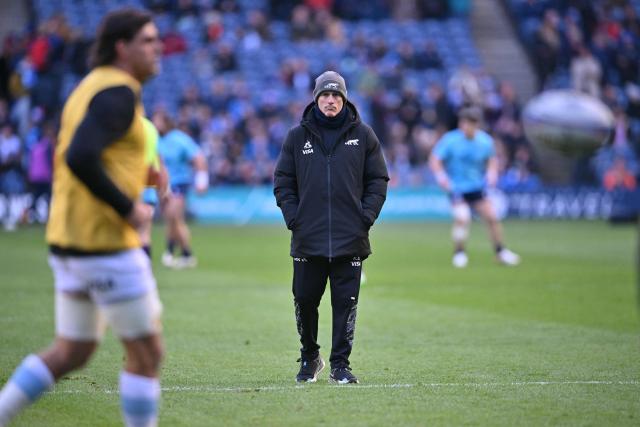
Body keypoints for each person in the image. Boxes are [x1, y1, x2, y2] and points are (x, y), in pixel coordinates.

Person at [0, 9, 164, 427]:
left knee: (72, 350)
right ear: (122, 47)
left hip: (69, 242)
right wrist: (129, 208)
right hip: (103, 244)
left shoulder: (89, 87)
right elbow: (80, 156)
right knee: (147, 354)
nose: (157, 46)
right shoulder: (118, 92)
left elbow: (83, 152)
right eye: (147, 40)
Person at [274, 70, 389, 384]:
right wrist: (293, 217)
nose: (330, 100)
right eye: (325, 95)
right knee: (305, 301)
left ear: (345, 99)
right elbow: (283, 182)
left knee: (345, 305)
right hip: (307, 238)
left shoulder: (364, 135)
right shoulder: (296, 137)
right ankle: (310, 357)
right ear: (315, 99)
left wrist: (365, 217)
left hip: (350, 237)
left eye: (336, 95)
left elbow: (377, 180)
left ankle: (340, 364)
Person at [429, 105, 520, 268]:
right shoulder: (450, 140)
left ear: (476, 124)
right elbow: (435, 159)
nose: (465, 127)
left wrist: (492, 173)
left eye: (469, 123)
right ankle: (459, 252)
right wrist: (441, 177)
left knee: (492, 217)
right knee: (463, 218)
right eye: (463, 123)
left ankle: (500, 252)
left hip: (476, 187)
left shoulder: (485, 141)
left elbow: (492, 160)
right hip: (456, 187)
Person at [152, 110, 208, 269]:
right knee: (171, 219)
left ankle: (184, 253)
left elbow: (198, 158)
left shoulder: (179, 139)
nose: (155, 124)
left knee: (173, 216)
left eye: (158, 121)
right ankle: (174, 252)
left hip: (178, 184)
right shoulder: (155, 139)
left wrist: (201, 180)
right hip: (162, 185)